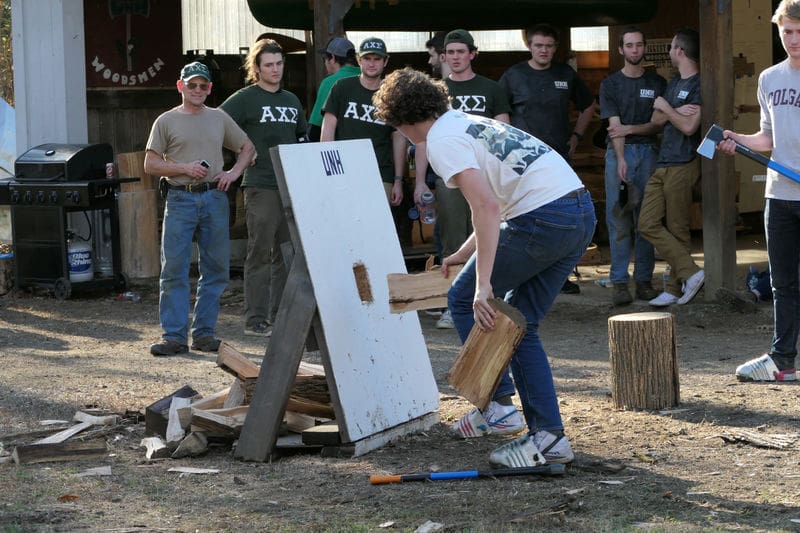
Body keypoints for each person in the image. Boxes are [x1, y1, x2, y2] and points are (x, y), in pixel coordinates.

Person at [373, 67, 596, 467]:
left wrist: (482, 284)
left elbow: (488, 207)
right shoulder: (466, 122)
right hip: (577, 209)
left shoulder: (440, 143)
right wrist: (464, 252)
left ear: (402, 121)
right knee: (520, 324)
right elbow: (497, 201)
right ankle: (549, 437)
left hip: (542, 218)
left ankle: (498, 408)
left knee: (462, 299)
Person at [145, 62, 255, 356]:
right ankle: (174, 337)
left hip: (214, 197)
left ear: (209, 89)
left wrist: (232, 174)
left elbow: (248, 148)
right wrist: (183, 168)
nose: (197, 90)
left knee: (216, 268)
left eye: (202, 86)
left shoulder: (219, 117)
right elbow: (150, 163)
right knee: (174, 269)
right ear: (180, 86)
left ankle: (204, 334)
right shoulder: (165, 121)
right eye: (191, 85)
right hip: (179, 198)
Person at [717, 0, 800, 382]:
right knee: (782, 282)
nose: (793, 39)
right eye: (787, 31)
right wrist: (739, 139)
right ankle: (782, 358)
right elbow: (768, 136)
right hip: (779, 196)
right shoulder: (769, 78)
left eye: (799, 32)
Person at [414, 29, 512, 328]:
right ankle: (453, 303)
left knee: (494, 232)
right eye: (450, 52)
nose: (455, 57)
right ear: (444, 56)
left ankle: (492, 297)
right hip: (450, 174)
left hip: (486, 173)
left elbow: (503, 131)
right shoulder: (435, 92)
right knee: (454, 236)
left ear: (472, 54)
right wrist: (419, 181)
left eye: (461, 51)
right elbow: (423, 139)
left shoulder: (492, 89)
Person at [220, 39, 308, 338]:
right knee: (259, 251)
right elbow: (218, 123)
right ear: (256, 69)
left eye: (279, 64)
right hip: (261, 184)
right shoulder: (245, 99)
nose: (275, 69)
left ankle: (279, 315)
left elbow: (301, 138)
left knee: (287, 252)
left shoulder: (292, 101)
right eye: (268, 65)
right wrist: (242, 150)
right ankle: (255, 318)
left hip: (291, 184)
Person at [499, 23, 595, 295]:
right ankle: (521, 273)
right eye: (539, 45)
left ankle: (557, 276)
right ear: (530, 46)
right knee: (524, 214)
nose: (544, 50)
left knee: (559, 216)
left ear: (555, 48)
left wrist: (577, 135)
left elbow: (588, 106)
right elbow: (499, 111)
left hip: (558, 158)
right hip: (523, 160)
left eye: (549, 46)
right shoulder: (513, 75)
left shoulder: (566, 74)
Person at [636, 29, 704, 307]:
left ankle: (675, 289)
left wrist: (668, 108)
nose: (669, 52)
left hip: (684, 161)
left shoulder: (701, 83)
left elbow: (689, 127)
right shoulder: (674, 83)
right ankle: (692, 273)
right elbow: (656, 118)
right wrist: (674, 110)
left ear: (680, 51)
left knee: (678, 227)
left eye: (671, 47)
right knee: (646, 223)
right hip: (664, 161)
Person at [599, 27, 666, 306]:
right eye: (629, 45)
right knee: (618, 218)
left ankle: (644, 281)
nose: (635, 50)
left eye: (639, 45)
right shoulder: (610, 84)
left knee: (646, 220)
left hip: (650, 151)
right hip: (620, 154)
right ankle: (618, 282)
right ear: (620, 50)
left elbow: (657, 122)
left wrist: (631, 128)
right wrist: (622, 158)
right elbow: (614, 128)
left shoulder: (658, 82)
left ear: (645, 48)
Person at [321, 37, 407, 208]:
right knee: (346, 225)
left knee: (378, 228)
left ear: (386, 61)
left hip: (381, 174)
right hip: (344, 172)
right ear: (359, 59)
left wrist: (398, 180)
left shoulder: (393, 95)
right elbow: (327, 132)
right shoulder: (342, 87)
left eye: (377, 59)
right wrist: (329, 174)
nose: (372, 64)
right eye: (367, 58)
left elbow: (399, 138)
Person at [307, 37, 359, 142]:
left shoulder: (329, 82)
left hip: (337, 148)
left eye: (325, 58)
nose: (325, 63)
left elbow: (317, 126)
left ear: (333, 58)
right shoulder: (367, 79)